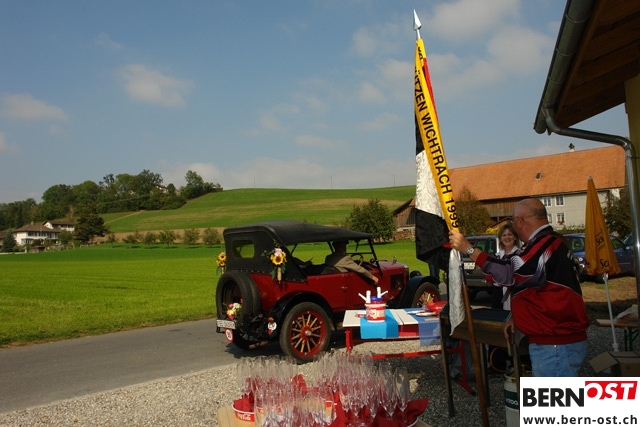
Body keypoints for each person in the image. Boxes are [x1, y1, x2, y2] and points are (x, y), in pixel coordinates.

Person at [449, 198, 589, 377]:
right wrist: (518, 317)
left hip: (555, 344)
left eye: (513, 221)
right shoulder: (548, 243)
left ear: (520, 221)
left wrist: (468, 249)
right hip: (554, 341)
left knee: (555, 396)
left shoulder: (545, 245)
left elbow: (510, 271)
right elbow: (535, 286)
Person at [491, 223, 520, 310]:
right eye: (504, 235)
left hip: (514, 292)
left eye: (510, 234)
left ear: (515, 237)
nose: (507, 237)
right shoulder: (497, 256)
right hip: (498, 292)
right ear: (500, 238)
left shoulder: (520, 255)